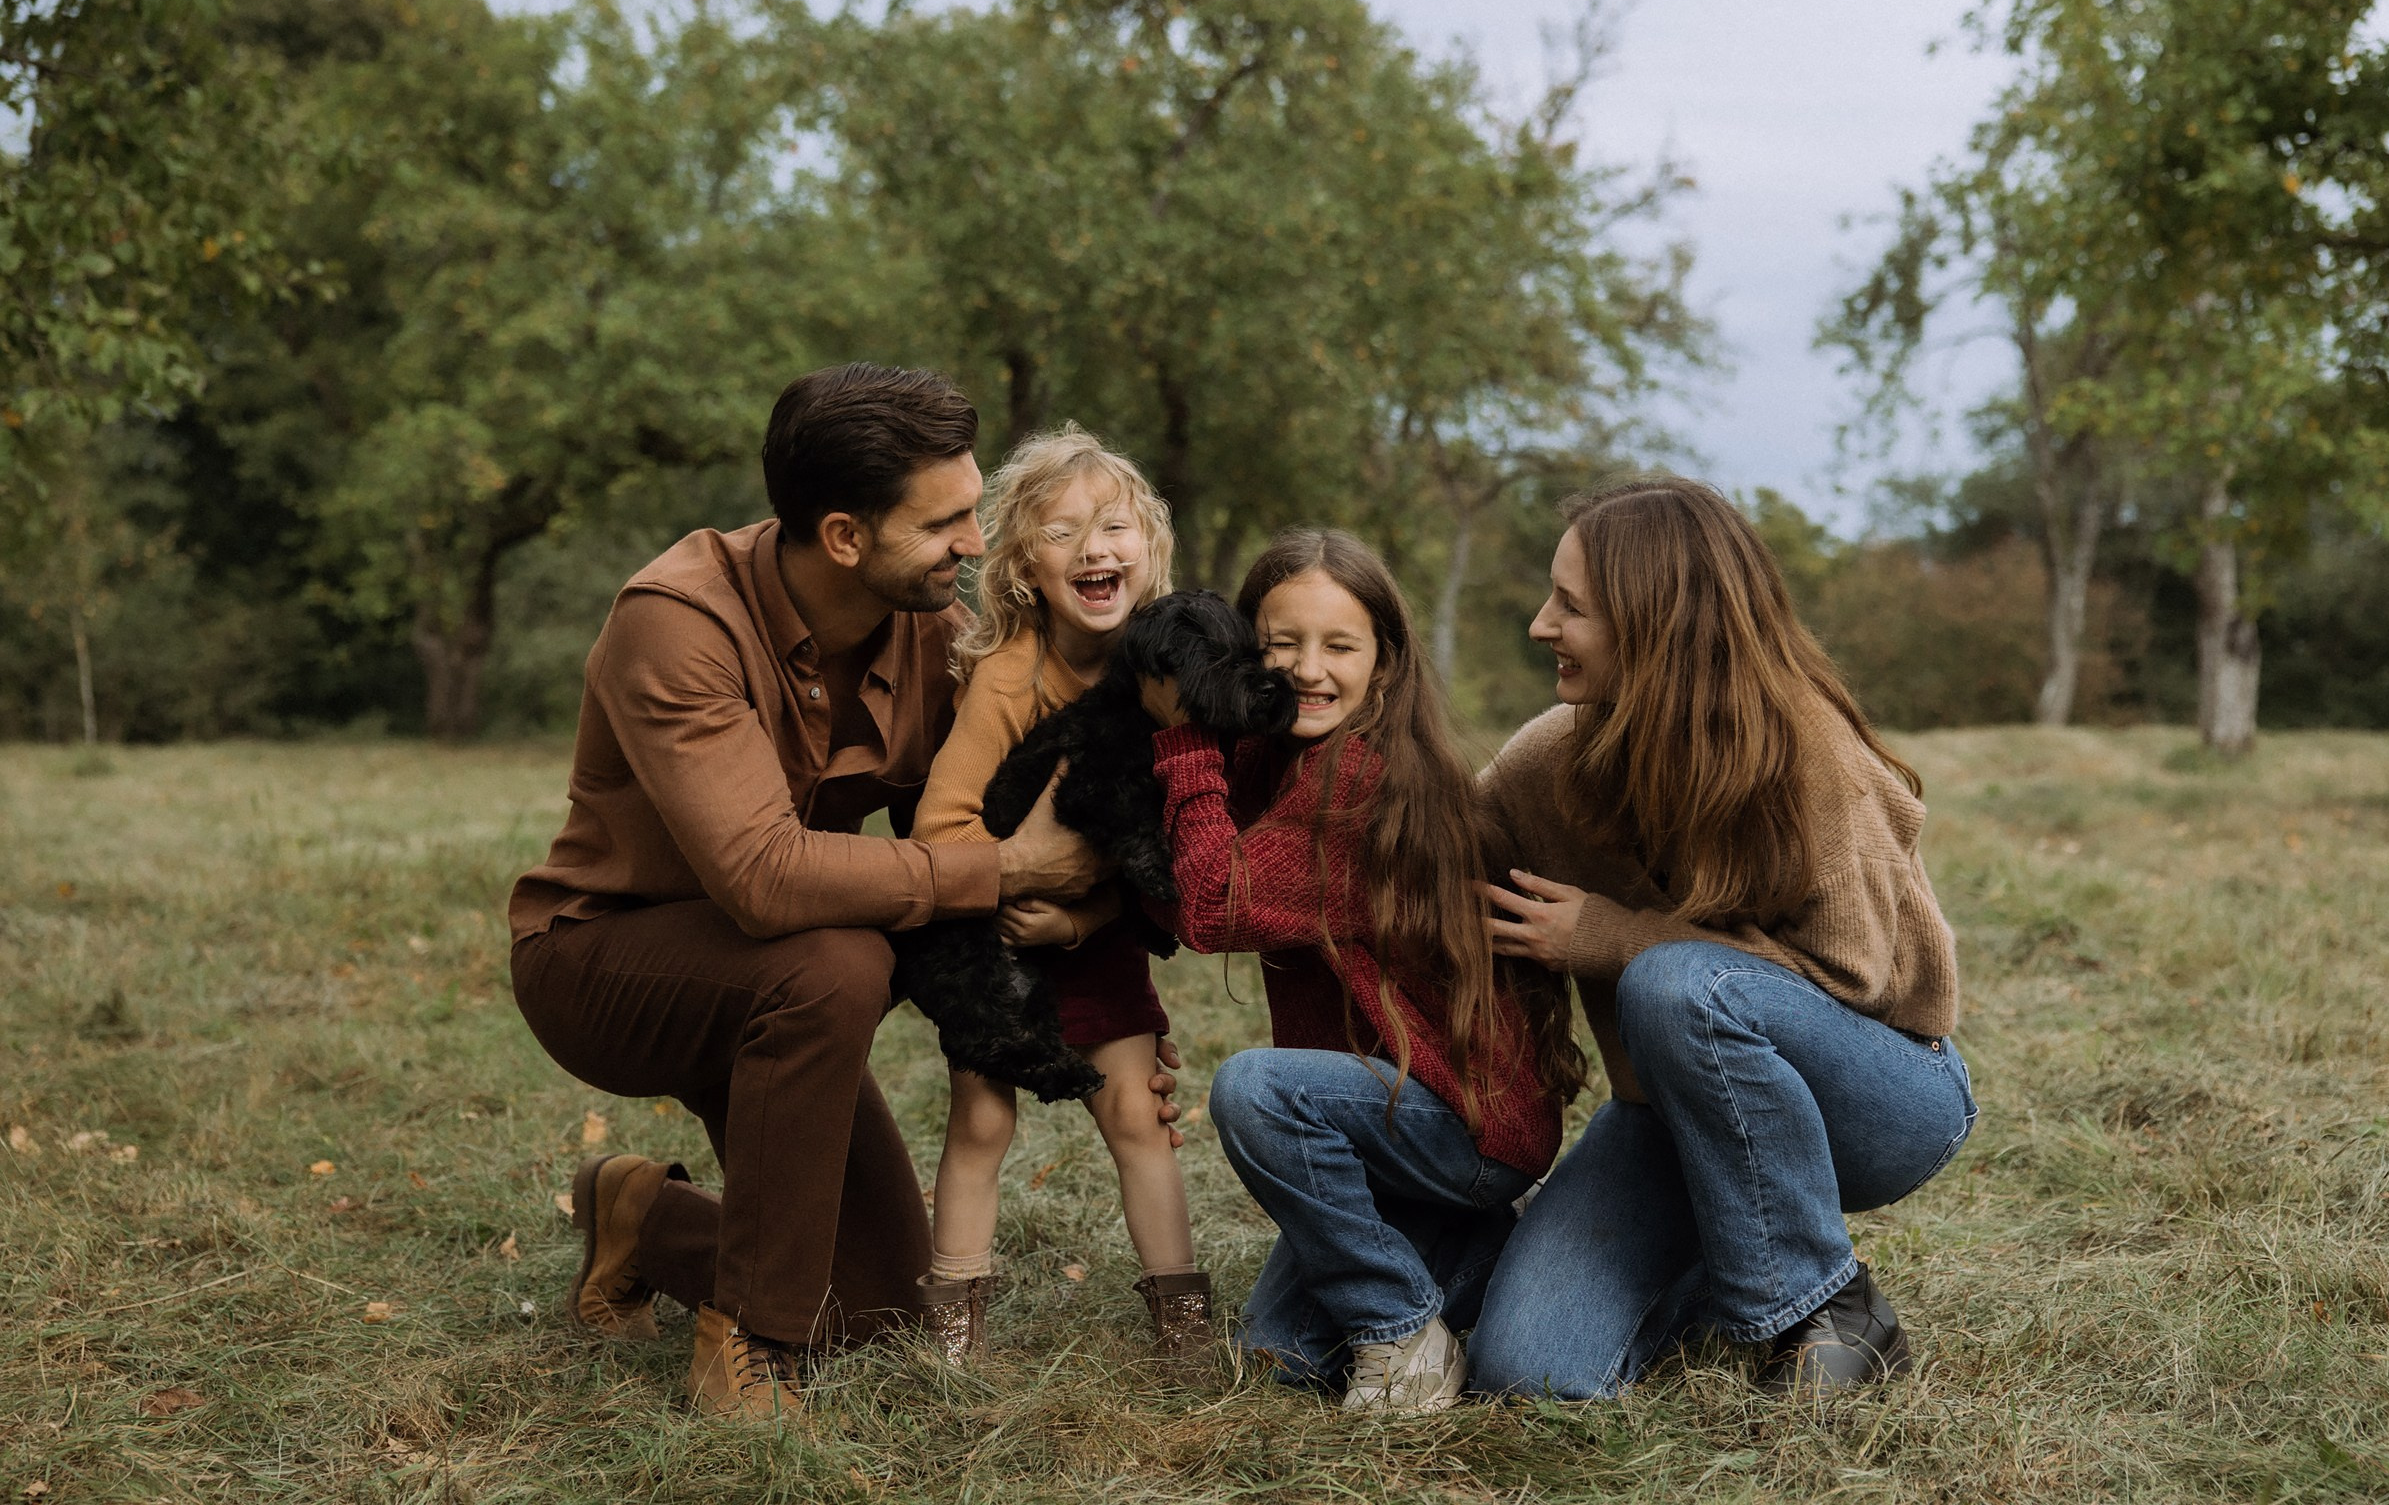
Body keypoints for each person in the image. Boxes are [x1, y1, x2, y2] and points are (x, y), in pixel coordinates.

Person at [505, 364, 1174, 1420]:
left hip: (784, 987)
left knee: (881, 1305)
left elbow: (985, 822)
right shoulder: (678, 621)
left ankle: (643, 1216)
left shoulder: (934, 634)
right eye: (944, 522)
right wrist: (1008, 870)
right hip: (605, 965)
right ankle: (749, 1345)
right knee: (841, 956)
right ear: (845, 536)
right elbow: (766, 879)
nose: (974, 543)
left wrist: (1096, 995)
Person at [1469, 476, 1975, 1400]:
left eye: (1571, 606)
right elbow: (1433, 862)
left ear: (1654, 623)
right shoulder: (1546, 762)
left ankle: (1832, 1309)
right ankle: (1719, 1248)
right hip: (1667, 1116)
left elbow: (1856, 987)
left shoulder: (1809, 758)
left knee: (1675, 987)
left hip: (1883, 1097)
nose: (1542, 625)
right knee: (1527, 1373)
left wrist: (1610, 938)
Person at [1142, 528, 1583, 1413]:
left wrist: (1183, 737)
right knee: (1283, 1355)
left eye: (1339, 646)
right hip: (1383, 1124)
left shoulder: (1363, 778)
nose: (1309, 670)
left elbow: (1214, 905)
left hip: (1465, 1121)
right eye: (1282, 644)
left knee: (1256, 1091)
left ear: (1383, 665)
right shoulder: (1274, 758)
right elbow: (1182, 870)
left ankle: (1401, 1330)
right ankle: (1487, 1245)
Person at [909, 426, 1211, 1374]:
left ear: (1149, 548)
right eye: (1062, 532)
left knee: (1138, 1118)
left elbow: (1166, 850)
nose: (1093, 548)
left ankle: (1184, 1327)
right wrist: (1016, 891)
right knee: (982, 1120)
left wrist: (1080, 918)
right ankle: (954, 1329)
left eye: (1114, 526)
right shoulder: (1010, 677)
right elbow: (940, 831)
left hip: (1098, 937)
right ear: (1023, 568)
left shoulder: (1167, 678)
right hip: (993, 942)